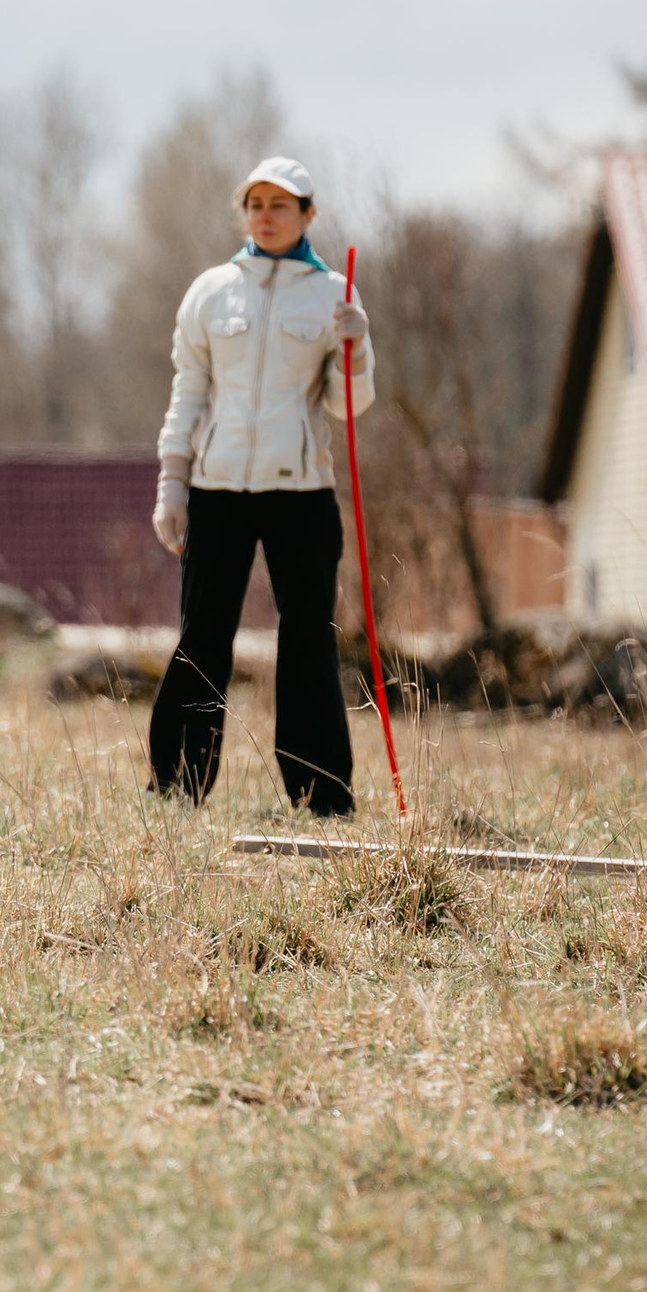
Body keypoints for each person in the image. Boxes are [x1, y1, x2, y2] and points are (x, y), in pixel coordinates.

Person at [147, 156, 373, 817]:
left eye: (281, 205)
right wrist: (172, 483)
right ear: (243, 213)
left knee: (307, 639)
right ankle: (175, 787)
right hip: (216, 491)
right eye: (256, 204)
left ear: (308, 215)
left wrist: (359, 350)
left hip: (301, 495)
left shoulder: (337, 294)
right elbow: (188, 393)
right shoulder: (211, 292)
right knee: (203, 636)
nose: (266, 216)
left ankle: (322, 797)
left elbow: (348, 407)